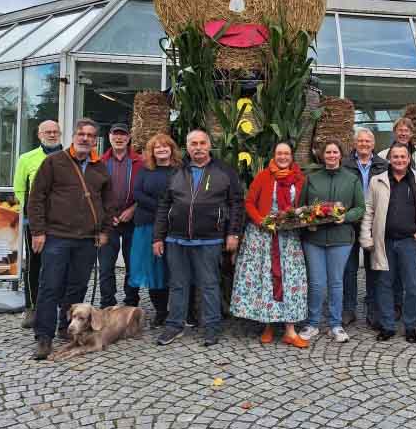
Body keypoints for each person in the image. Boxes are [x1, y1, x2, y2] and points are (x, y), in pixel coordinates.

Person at [28, 118, 114, 360]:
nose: (85, 138)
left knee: (77, 287)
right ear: (73, 136)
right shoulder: (54, 162)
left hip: (88, 239)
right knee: (50, 287)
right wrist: (38, 231)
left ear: (95, 139)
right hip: (57, 236)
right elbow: (36, 199)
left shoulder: (100, 167)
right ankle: (43, 337)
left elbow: (108, 203)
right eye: (81, 134)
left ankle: (66, 328)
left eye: (90, 134)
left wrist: (104, 230)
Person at [153, 129, 243, 347]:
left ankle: (212, 327)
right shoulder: (176, 172)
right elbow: (164, 205)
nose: (198, 147)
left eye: (202, 143)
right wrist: (158, 237)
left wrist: (233, 233)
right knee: (178, 284)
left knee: (210, 284)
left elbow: (237, 204)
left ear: (209, 145)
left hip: (210, 239)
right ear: (187, 147)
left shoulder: (224, 171)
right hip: (176, 239)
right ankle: (174, 325)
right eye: (193, 143)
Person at [359, 142, 416, 343]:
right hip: (384, 241)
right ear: (389, 159)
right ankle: (387, 325)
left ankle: (410, 325)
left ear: (409, 158)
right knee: (384, 284)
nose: (399, 160)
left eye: (403, 156)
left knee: (413, 286)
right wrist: (366, 237)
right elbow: (369, 211)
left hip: (410, 242)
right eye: (395, 157)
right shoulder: (377, 181)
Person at [231, 142, 310, 348]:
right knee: (265, 278)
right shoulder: (264, 176)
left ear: (292, 156)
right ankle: (268, 326)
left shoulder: (299, 178)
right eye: (279, 153)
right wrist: (261, 221)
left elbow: (304, 205)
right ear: (274, 156)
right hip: (262, 236)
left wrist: (300, 218)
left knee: (290, 281)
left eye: (286, 153)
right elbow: (249, 202)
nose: (283, 157)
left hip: (288, 238)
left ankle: (290, 331)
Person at [297, 141, 366, 343]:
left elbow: (360, 208)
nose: (332, 155)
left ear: (340, 155)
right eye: (328, 152)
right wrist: (307, 220)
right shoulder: (312, 179)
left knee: (336, 283)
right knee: (317, 283)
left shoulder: (351, 179)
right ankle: (312, 323)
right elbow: (301, 207)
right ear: (322, 155)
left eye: (335, 152)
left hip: (341, 238)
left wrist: (346, 217)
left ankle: (336, 324)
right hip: (314, 239)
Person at [377, 117, 416, 320]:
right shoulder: (383, 155)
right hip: (391, 227)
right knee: (390, 277)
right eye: (399, 130)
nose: (403, 133)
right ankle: (395, 308)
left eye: (406, 130)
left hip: (415, 224)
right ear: (395, 133)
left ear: (412, 133)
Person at [13, 119, 63, 329]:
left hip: (63, 221)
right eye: (47, 132)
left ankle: (62, 307)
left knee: (61, 265)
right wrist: (32, 217)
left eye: (55, 132)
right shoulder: (26, 159)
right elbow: (19, 191)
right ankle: (32, 308)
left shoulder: (68, 157)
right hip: (36, 221)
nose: (52, 135)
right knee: (35, 265)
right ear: (39, 135)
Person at [130, 134, 181, 328]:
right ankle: (161, 311)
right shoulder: (145, 170)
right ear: (152, 151)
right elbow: (137, 193)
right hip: (147, 225)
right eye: (156, 147)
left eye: (165, 146)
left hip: (174, 227)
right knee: (153, 269)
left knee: (173, 269)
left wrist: (168, 210)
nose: (161, 150)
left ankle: (179, 311)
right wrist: (162, 208)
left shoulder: (180, 170)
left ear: (171, 149)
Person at [342, 127, 388, 328]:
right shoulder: (344, 165)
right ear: (354, 143)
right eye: (360, 141)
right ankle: (348, 309)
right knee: (348, 268)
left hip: (374, 223)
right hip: (350, 223)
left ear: (373, 144)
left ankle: (372, 309)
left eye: (367, 141)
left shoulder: (383, 165)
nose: (364, 144)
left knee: (373, 268)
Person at [97, 123, 143, 309]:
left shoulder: (140, 162)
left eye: (123, 135)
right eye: (115, 134)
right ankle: (108, 302)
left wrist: (133, 209)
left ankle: (131, 301)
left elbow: (148, 191)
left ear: (129, 137)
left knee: (133, 265)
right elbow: (94, 193)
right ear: (109, 137)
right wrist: (108, 215)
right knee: (106, 266)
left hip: (133, 220)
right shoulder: (99, 162)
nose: (119, 138)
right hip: (108, 223)